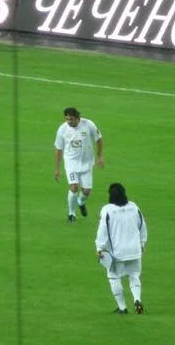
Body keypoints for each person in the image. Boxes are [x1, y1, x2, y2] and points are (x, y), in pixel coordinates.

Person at [95, 183, 148, 315]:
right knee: (134, 276)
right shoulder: (133, 207)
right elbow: (142, 225)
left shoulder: (107, 210)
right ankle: (137, 299)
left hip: (117, 253)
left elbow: (103, 230)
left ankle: (122, 307)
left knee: (114, 277)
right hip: (135, 250)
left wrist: (99, 247)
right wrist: (142, 242)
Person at [54, 107, 104, 222]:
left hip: (87, 163)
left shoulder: (88, 124)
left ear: (78, 118)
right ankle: (71, 213)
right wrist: (57, 169)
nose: (69, 122)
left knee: (86, 191)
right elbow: (58, 149)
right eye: (67, 119)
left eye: (71, 119)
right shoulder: (62, 130)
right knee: (74, 187)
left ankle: (81, 202)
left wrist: (99, 156)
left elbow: (99, 139)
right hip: (71, 163)